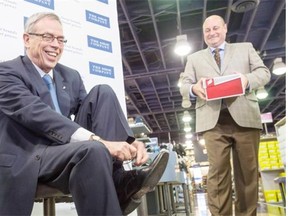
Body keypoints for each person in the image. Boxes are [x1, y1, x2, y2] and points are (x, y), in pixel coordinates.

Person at [0, 12, 169, 216]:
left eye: (61, 39)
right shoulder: (7, 72)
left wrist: (127, 142)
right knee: (93, 149)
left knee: (103, 92)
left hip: (63, 150)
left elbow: (95, 113)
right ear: (27, 39)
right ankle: (120, 188)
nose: (56, 45)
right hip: (30, 155)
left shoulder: (70, 76)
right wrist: (97, 140)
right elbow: (37, 115)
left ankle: (118, 179)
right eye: (48, 37)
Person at [180, 15, 270, 216]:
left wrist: (246, 80)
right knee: (217, 174)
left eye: (215, 28)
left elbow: (264, 73)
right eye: (207, 30)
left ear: (225, 28)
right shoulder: (194, 59)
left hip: (244, 117)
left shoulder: (245, 48)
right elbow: (184, 85)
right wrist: (194, 88)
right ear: (203, 34)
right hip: (213, 121)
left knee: (248, 172)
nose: (212, 33)